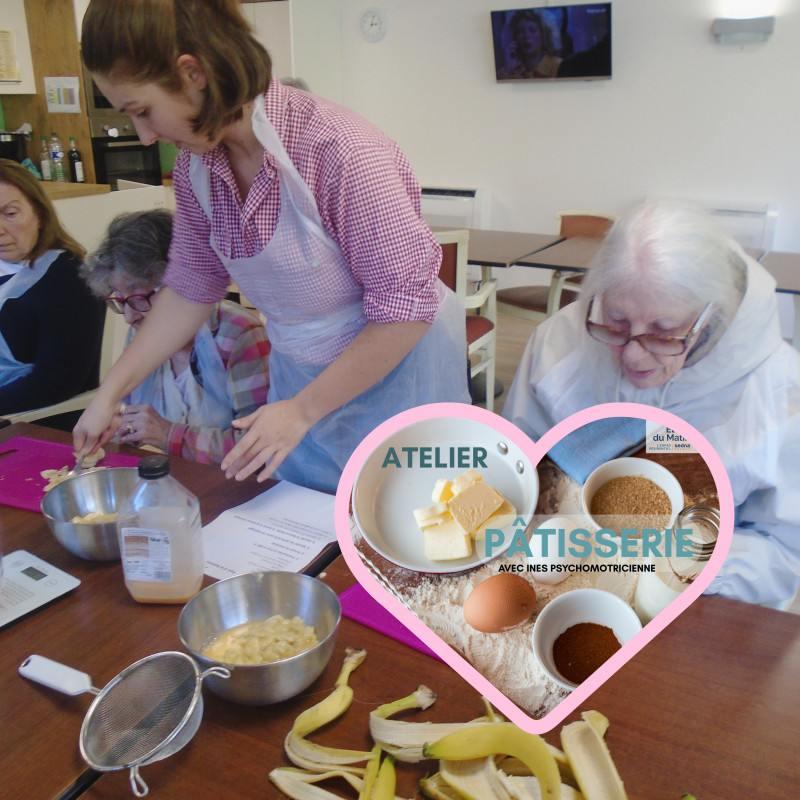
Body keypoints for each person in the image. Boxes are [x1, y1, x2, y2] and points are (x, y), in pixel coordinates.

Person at [74, 0, 469, 493]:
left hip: (396, 371)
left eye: (143, 111)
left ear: (193, 74)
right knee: (308, 512)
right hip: (299, 374)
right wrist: (109, 394)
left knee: (404, 508)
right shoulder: (198, 167)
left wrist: (303, 410)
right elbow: (192, 286)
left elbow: (406, 310)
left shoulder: (340, 150)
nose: (146, 135)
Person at [504, 201, 800, 610]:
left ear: (714, 315)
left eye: (664, 332)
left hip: (697, 603)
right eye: (616, 322)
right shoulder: (560, 341)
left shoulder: (780, 396)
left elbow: (785, 554)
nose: (632, 355)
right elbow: (515, 458)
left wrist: (689, 563)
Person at [81, 209, 271, 465]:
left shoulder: (239, 334)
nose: (128, 317)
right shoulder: (139, 333)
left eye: (139, 297)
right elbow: (130, 419)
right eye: (120, 301)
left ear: (179, 285)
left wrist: (169, 435)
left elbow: (258, 447)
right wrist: (119, 427)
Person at [0, 158, 104, 419]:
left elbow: (55, 382)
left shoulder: (68, 278)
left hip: (33, 419)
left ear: (40, 214)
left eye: (10, 214)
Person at [508, 9, 562, 79]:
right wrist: (509, 70)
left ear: (544, 34)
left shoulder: (558, 66)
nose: (526, 36)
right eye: (520, 31)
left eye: (532, 30)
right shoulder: (512, 68)